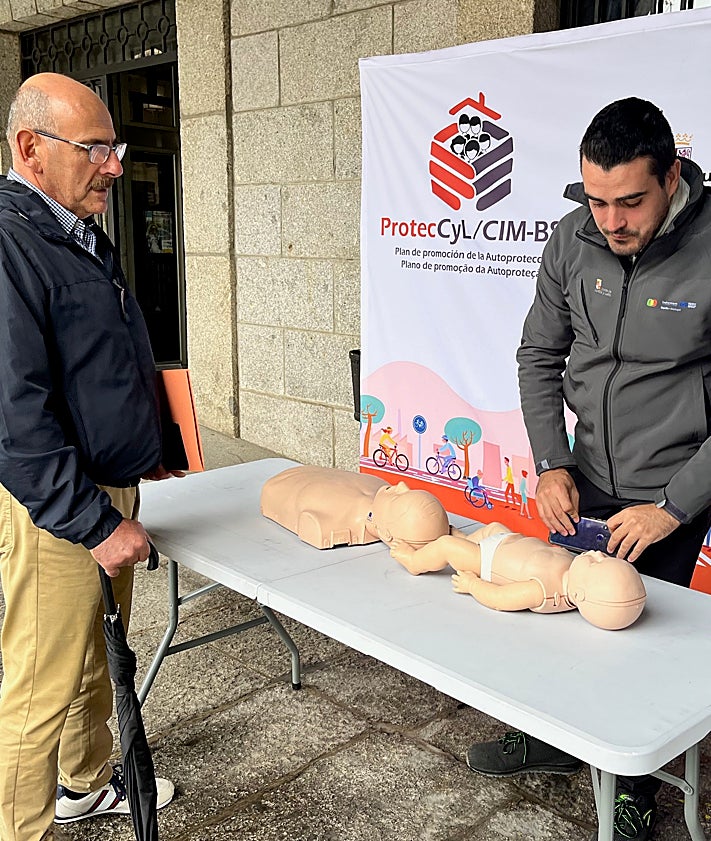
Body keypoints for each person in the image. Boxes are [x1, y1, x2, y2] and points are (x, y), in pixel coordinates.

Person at [466, 97, 711, 841]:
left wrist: (673, 504)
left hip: (676, 482)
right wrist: (549, 463)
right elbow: (538, 355)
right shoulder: (570, 240)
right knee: (554, 605)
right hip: (585, 469)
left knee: (631, 631)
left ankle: (636, 784)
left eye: (629, 201)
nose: (610, 220)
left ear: (670, 175)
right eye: (596, 199)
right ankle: (551, 737)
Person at [0, 73, 180, 841]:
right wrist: (91, 520)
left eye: (116, 146)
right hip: (61, 508)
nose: (114, 165)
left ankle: (83, 782)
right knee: (40, 687)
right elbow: (15, 411)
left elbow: (101, 359)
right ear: (30, 149)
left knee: (92, 662)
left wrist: (154, 445)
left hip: (105, 490)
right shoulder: (9, 242)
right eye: (96, 148)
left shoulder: (69, 227)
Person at [389, 521, 646, 630]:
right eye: (603, 557)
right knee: (492, 528)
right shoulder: (572, 568)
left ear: (579, 594)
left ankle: (415, 561)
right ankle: (466, 540)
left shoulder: (542, 592)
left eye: (595, 563)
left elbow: (500, 598)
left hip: (486, 560)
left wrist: (473, 584)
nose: (596, 554)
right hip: (504, 539)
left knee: (447, 545)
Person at [261, 465, 450, 550]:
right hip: (290, 478)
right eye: (408, 492)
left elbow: (311, 524)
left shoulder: (331, 518)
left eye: (398, 499)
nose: (401, 486)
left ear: (386, 534)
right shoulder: (377, 484)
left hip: (281, 486)